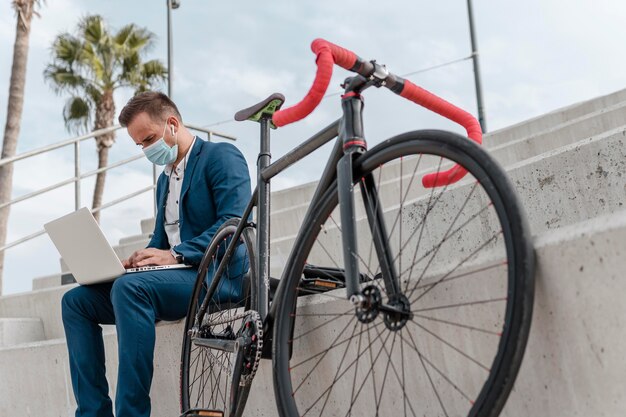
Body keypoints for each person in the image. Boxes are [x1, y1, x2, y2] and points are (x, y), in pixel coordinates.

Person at [61, 91, 251, 417]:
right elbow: (161, 241)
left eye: (148, 139)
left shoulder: (221, 156)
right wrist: (139, 260)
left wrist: (174, 254)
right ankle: (93, 412)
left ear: (172, 125)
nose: (146, 150)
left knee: (130, 289)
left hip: (218, 277)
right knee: (76, 302)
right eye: (139, 145)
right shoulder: (165, 182)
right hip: (176, 278)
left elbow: (234, 224)